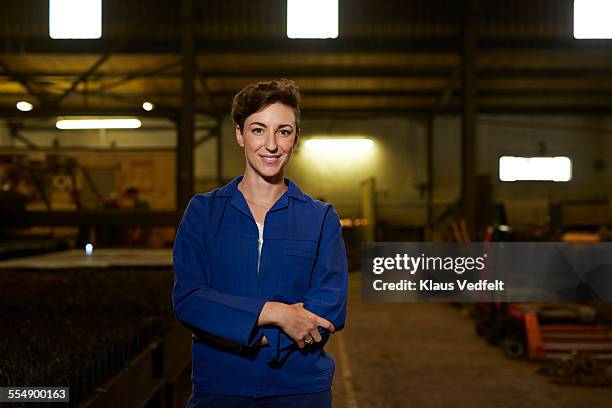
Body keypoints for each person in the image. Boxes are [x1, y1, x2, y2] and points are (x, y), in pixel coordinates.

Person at [172, 78, 348, 407]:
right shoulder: (203, 212)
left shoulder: (321, 218)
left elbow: (328, 311)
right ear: (239, 134)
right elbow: (189, 300)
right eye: (258, 130)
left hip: (299, 391)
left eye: (283, 131)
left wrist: (227, 328)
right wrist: (274, 312)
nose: (271, 145)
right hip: (220, 390)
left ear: (295, 138)